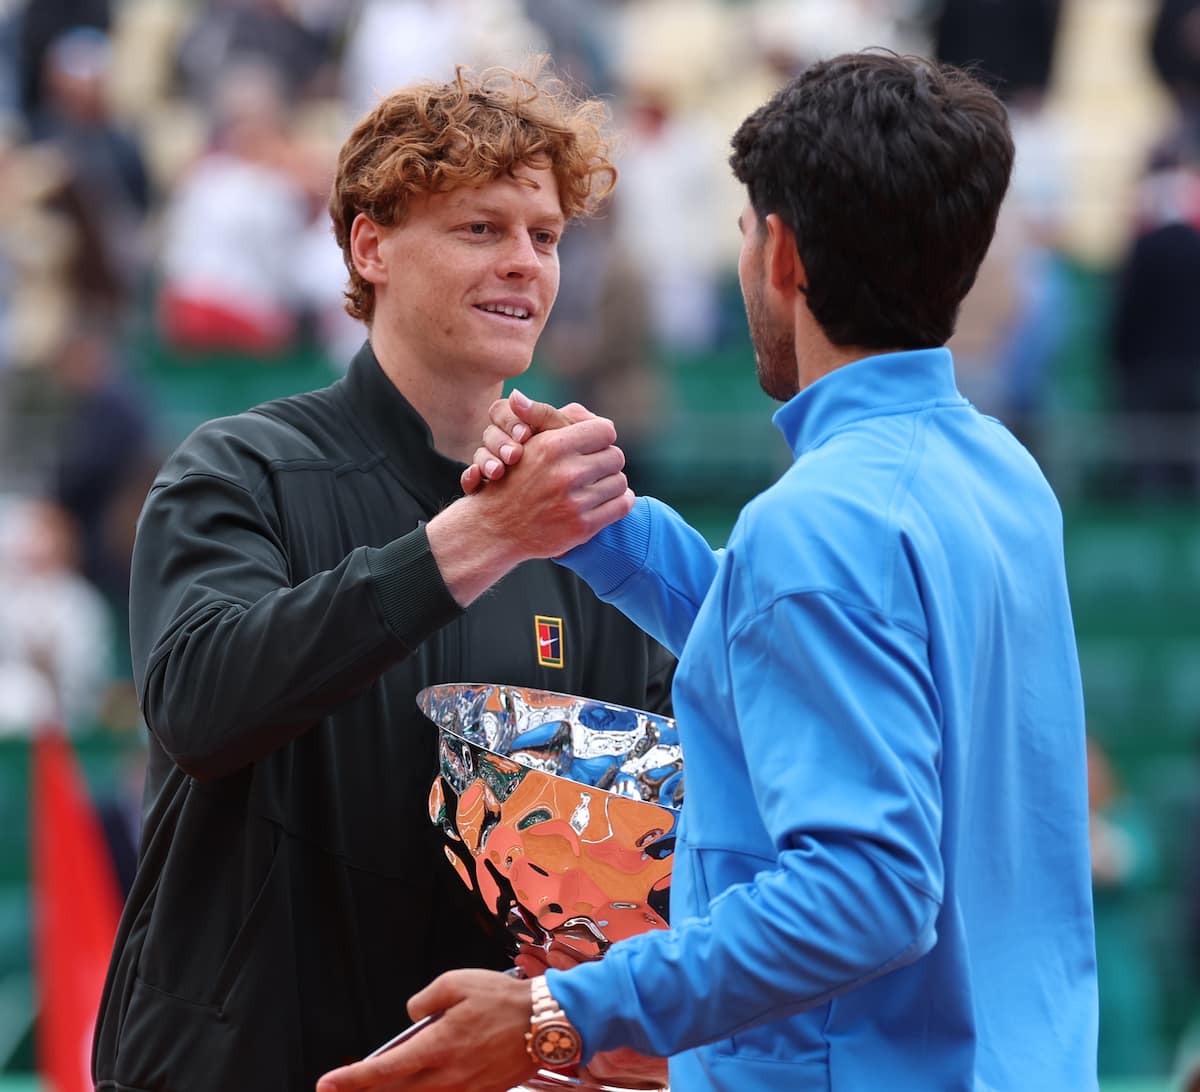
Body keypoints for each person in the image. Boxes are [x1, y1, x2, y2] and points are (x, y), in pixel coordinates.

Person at [316, 50, 1099, 1092]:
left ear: (779, 254)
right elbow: (800, 642)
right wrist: (604, 525)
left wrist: (560, 1012)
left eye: (742, 231)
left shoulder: (818, 525)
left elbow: (867, 894)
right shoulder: (1002, 476)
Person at [91, 61, 674, 1091]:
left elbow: (657, 826)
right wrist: (484, 534)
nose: (524, 265)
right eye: (480, 229)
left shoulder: (593, 542)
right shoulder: (239, 470)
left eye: (543, 236)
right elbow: (198, 705)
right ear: (372, 245)